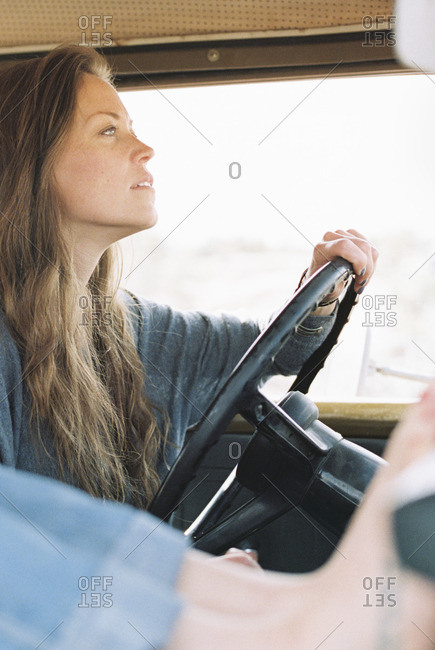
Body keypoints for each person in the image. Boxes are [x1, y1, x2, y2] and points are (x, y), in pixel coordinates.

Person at [0, 44, 378, 514]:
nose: (145, 149)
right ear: (31, 166)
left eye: (132, 129)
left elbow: (271, 349)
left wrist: (320, 292)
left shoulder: (132, 330)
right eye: (108, 131)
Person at [0, 384, 433, 649]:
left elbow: (265, 351)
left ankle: (286, 607)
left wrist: (322, 300)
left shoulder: (126, 320)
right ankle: (284, 639)